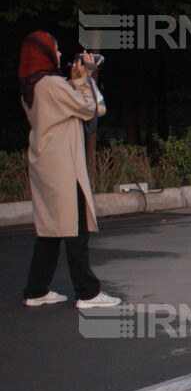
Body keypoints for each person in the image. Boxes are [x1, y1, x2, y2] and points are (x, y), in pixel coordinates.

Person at [20, 32, 119, 309]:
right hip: (63, 164)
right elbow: (91, 109)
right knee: (77, 228)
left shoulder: (30, 87)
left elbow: (70, 105)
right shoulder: (51, 84)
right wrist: (86, 76)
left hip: (44, 162)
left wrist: (76, 81)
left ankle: (36, 289)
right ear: (44, 53)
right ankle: (88, 293)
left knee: (50, 230)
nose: (61, 55)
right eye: (56, 49)